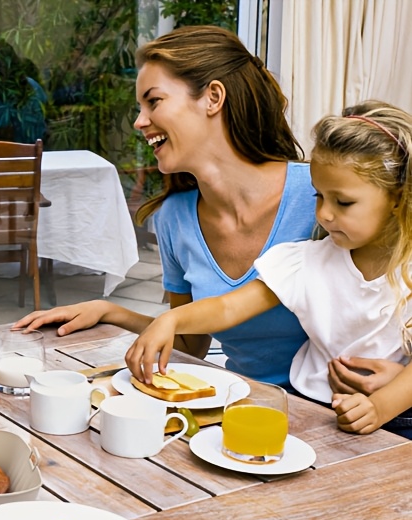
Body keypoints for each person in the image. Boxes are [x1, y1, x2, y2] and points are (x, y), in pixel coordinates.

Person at [14, 26, 316, 389]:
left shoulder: (320, 196)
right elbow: (190, 345)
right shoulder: (175, 217)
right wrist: (109, 311)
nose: (140, 122)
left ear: (213, 98)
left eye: (153, 101)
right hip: (245, 407)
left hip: (340, 413)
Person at [126, 101, 412, 438]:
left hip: (396, 417)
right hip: (307, 407)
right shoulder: (305, 261)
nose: (324, 215)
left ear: (397, 197)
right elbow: (229, 306)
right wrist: (171, 320)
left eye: (343, 202)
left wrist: (380, 407)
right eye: (319, 196)